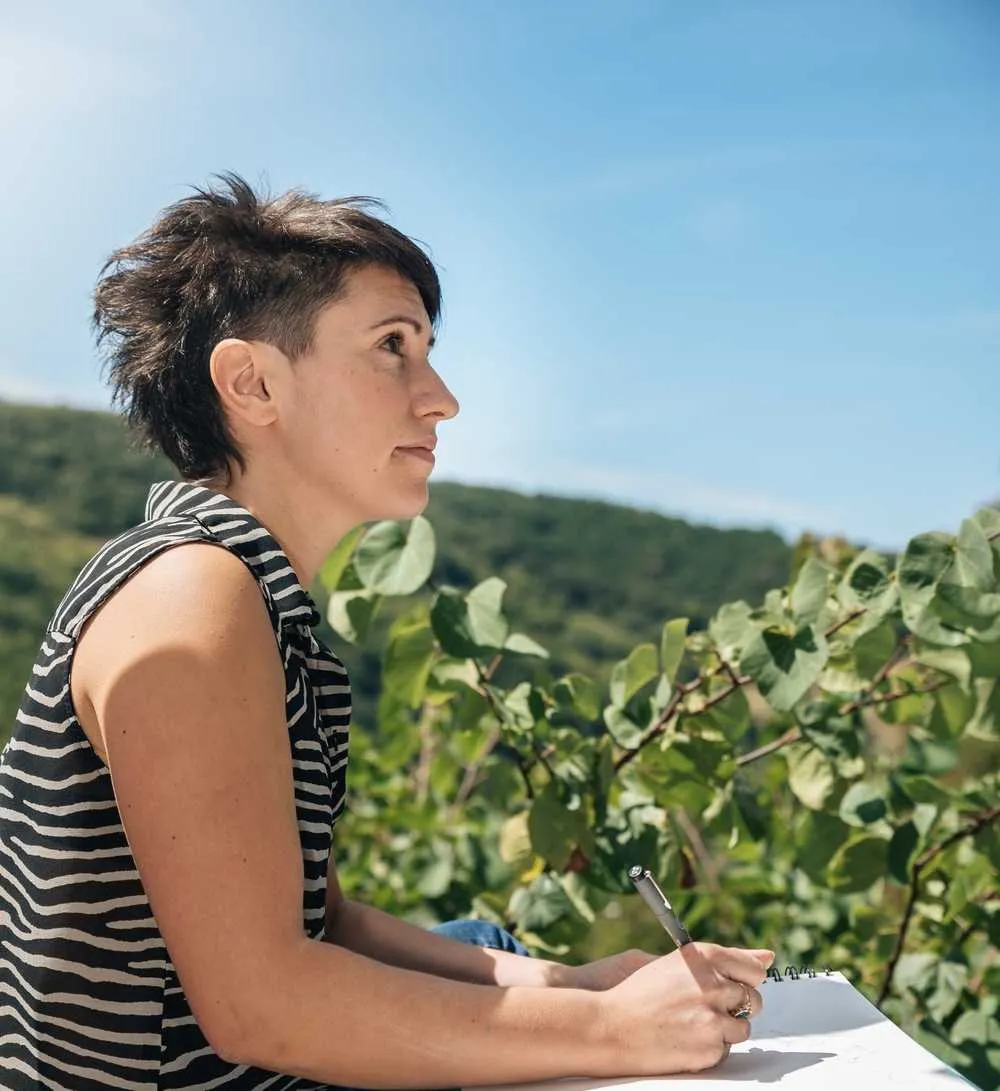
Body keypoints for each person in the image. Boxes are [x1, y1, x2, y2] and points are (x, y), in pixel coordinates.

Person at [0, 174, 772, 1091]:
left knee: (493, 948)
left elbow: (319, 920)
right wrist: (609, 1028)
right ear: (253, 383)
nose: (440, 397)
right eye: (392, 348)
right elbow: (261, 1007)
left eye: (429, 349)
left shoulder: (243, 587)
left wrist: (572, 987)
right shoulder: (192, 600)